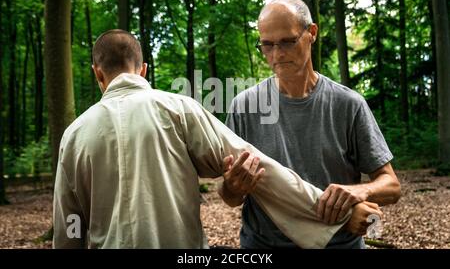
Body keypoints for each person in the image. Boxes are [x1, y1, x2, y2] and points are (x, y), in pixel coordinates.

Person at [53, 29, 380, 249]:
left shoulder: (74, 136)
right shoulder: (177, 109)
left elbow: (69, 227)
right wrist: (338, 214)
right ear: (143, 70)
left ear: (98, 73)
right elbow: (258, 166)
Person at [219, 0, 401, 249]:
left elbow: (391, 185)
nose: (277, 54)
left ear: (311, 33)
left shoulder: (348, 104)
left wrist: (361, 191)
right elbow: (230, 198)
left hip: (339, 244)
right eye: (267, 45)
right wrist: (233, 186)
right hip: (263, 246)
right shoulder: (243, 106)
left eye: (288, 42)